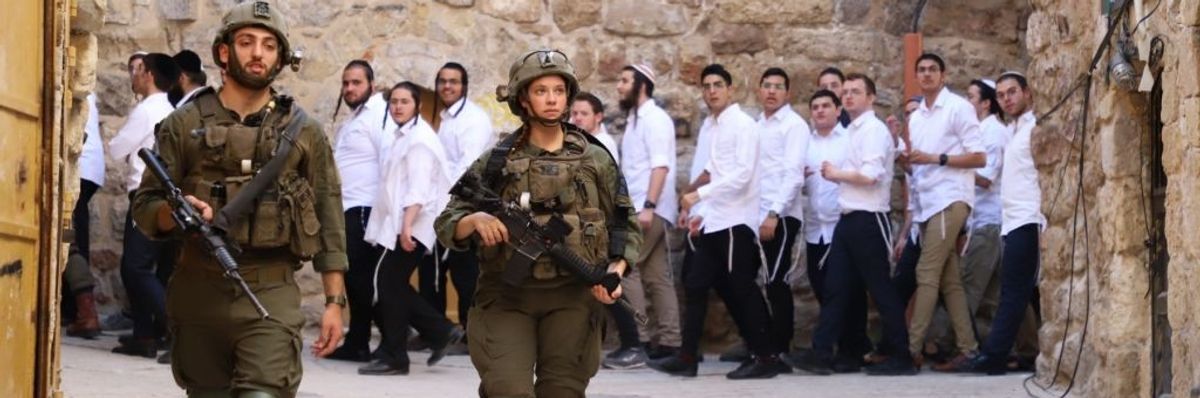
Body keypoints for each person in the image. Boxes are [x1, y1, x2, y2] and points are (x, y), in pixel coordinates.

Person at [130, 2, 348, 396]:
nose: (258, 53)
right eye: (246, 42)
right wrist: (172, 213)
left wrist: (335, 300)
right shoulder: (185, 124)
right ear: (225, 51)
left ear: (281, 56)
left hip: (271, 289)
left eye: (268, 44)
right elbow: (144, 206)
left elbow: (328, 216)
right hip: (198, 290)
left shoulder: (303, 132)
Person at [435, 48, 640, 397]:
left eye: (558, 91)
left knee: (562, 390)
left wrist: (615, 271)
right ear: (523, 99)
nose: (551, 100)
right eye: (541, 91)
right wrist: (475, 220)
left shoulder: (595, 160)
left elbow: (625, 224)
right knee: (507, 389)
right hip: (506, 296)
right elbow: (448, 220)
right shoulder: (496, 161)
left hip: (573, 298)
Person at [650, 64, 782, 380]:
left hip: (736, 222)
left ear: (730, 89)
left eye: (718, 84)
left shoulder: (743, 125)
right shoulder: (715, 124)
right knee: (695, 285)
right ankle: (686, 358)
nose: (712, 91)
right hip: (712, 222)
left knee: (741, 289)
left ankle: (765, 358)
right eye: (707, 85)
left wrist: (698, 197)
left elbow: (742, 175)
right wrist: (695, 206)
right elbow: (712, 170)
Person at [790, 73, 916, 376]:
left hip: (869, 218)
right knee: (835, 288)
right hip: (848, 220)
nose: (847, 97)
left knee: (880, 290)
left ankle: (901, 356)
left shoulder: (872, 130)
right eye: (845, 92)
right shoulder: (854, 131)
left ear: (870, 98)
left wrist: (836, 174)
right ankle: (822, 353)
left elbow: (872, 174)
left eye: (855, 92)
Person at [358, 82, 464, 375]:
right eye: (393, 102)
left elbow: (418, 188)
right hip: (402, 224)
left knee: (387, 283)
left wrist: (406, 227)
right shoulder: (404, 135)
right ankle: (439, 332)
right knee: (392, 285)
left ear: (417, 105)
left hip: (413, 225)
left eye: (404, 101)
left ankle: (397, 355)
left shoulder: (419, 140)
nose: (398, 107)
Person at [900, 53, 986, 368]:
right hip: (927, 204)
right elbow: (918, 168)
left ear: (943, 75)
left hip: (951, 200)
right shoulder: (917, 117)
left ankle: (910, 350)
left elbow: (979, 158)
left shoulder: (959, 107)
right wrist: (906, 162)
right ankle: (969, 348)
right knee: (949, 281)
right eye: (921, 70)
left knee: (925, 272)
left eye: (932, 70)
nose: (926, 75)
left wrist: (937, 158)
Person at [960, 71, 1045, 375]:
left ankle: (994, 356)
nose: (1007, 99)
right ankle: (1023, 354)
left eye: (1012, 92)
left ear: (1027, 92)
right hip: (1011, 221)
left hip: (1028, 218)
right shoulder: (1013, 131)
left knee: (1013, 291)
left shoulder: (1035, 127)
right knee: (1019, 293)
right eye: (1001, 95)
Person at [109, 52, 180, 359]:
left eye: (138, 70)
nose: (134, 76)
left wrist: (125, 151)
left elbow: (116, 148)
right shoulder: (173, 110)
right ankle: (144, 334)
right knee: (158, 269)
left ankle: (178, 331)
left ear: (149, 74)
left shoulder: (146, 110)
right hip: (169, 196)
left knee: (135, 267)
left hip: (145, 195)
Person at [612, 64, 684, 365]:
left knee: (626, 270)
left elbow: (660, 166)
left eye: (625, 80)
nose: (619, 86)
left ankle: (637, 342)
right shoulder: (635, 120)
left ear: (642, 84)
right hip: (643, 207)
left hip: (647, 209)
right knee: (657, 276)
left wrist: (649, 206)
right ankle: (669, 342)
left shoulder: (655, 119)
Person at [799, 89, 872, 372]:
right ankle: (848, 348)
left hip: (842, 227)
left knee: (846, 292)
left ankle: (848, 350)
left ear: (838, 109)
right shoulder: (806, 143)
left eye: (825, 106)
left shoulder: (849, 140)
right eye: (815, 106)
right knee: (822, 289)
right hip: (816, 228)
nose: (819, 111)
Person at [327, 60, 394, 363]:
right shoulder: (355, 117)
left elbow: (389, 162)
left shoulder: (379, 115)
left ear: (371, 84)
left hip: (365, 208)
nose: (350, 88)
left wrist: (386, 211)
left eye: (356, 82)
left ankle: (429, 330)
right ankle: (360, 342)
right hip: (349, 206)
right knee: (357, 279)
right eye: (346, 83)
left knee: (361, 279)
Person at [423, 62, 494, 337]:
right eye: (442, 81)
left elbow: (468, 169)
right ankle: (442, 332)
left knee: (464, 275)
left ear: (464, 86)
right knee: (440, 273)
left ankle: (470, 331)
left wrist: (446, 212)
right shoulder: (445, 118)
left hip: (465, 209)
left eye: (453, 82)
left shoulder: (472, 120)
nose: (447, 86)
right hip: (444, 207)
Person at [754, 67, 810, 357]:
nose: (772, 91)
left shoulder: (794, 125)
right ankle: (760, 341)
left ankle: (780, 346)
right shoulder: (757, 125)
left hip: (781, 216)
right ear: (759, 90)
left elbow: (794, 175)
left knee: (776, 281)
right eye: (767, 85)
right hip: (755, 214)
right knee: (748, 281)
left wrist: (774, 214)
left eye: (778, 86)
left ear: (787, 93)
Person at [63, 93, 105, 339]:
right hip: (83, 170)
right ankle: (80, 311)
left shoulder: (70, 86)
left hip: (73, 170)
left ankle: (85, 312)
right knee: (71, 239)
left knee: (68, 241)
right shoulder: (86, 90)